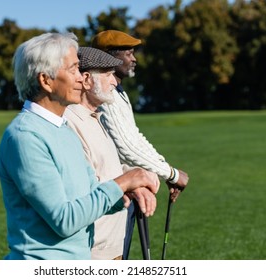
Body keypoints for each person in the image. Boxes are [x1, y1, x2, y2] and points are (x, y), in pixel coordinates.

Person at [0, 32, 160, 260]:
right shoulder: (25, 136)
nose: (81, 78)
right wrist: (123, 182)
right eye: (73, 69)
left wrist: (126, 193)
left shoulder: (61, 128)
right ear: (46, 81)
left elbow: (90, 192)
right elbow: (64, 219)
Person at [91, 30, 190, 259]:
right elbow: (126, 147)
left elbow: (135, 137)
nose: (134, 58)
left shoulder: (118, 92)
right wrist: (171, 174)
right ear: (109, 57)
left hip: (127, 186)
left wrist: (164, 168)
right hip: (112, 191)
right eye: (129, 53)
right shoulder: (105, 94)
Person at [64, 47, 157, 260]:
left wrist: (135, 177)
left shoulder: (98, 117)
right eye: (107, 75)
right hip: (93, 249)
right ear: (86, 79)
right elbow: (84, 186)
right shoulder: (70, 122)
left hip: (114, 243)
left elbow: (107, 168)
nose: (114, 82)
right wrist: (130, 181)